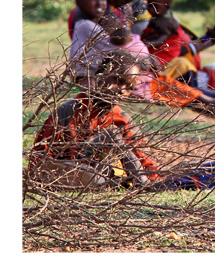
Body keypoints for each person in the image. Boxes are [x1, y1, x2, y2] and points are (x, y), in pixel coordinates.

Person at [28, 51, 160, 191]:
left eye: (129, 88)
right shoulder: (68, 111)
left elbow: (139, 155)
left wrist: (152, 176)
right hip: (68, 175)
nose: (122, 90)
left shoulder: (121, 118)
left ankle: (138, 182)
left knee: (112, 143)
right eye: (118, 80)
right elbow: (40, 160)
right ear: (100, 76)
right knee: (99, 171)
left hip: (102, 175)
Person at [67, 0, 110, 79]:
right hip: (87, 79)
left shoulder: (92, 24)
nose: (100, 3)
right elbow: (114, 46)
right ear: (79, 2)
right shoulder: (86, 25)